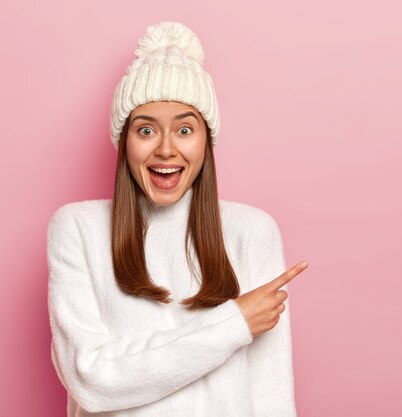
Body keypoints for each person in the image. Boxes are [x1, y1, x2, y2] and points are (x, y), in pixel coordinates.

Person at [46, 21, 307, 416]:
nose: (166, 149)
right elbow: (91, 379)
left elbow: (270, 394)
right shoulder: (78, 229)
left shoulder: (251, 231)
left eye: (185, 129)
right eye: (146, 129)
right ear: (124, 141)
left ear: (206, 140)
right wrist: (232, 325)